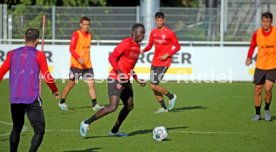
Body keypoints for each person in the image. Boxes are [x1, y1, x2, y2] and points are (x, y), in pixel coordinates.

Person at [79, 23, 146, 137]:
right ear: (134, 32)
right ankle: (86, 123)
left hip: (125, 80)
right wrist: (119, 72)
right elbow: (111, 57)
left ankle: (114, 131)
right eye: (141, 33)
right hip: (115, 79)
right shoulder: (126, 43)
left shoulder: (138, 47)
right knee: (112, 107)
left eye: (144, 33)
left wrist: (137, 79)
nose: (143, 35)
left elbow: (130, 67)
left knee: (129, 105)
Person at [0, 28, 60, 152]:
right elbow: (47, 76)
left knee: (17, 127)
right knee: (39, 130)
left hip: (15, 97)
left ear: (24, 38)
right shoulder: (39, 55)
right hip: (31, 98)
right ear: (37, 40)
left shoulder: (12, 53)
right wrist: (54, 89)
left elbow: (1, 72)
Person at [58, 16, 104, 111]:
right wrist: (78, 58)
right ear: (80, 24)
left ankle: (94, 105)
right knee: (71, 84)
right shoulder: (76, 34)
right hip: (76, 66)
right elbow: (71, 49)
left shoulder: (90, 35)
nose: (86, 26)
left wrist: (85, 60)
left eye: (88, 25)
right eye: (84, 24)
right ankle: (61, 102)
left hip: (87, 66)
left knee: (91, 84)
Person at [141, 11, 181, 113]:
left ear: (164, 20)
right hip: (155, 62)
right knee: (154, 87)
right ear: (155, 21)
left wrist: (168, 54)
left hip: (164, 63)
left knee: (153, 85)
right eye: (158, 20)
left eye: (161, 20)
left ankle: (171, 96)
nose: (159, 22)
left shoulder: (169, 33)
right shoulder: (153, 32)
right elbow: (150, 46)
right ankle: (164, 108)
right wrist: (143, 50)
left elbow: (177, 47)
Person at [245, 12, 276, 121]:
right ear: (261, 21)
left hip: (272, 66)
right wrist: (249, 57)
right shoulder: (256, 33)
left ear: (271, 22)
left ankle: (267, 109)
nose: (265, 24)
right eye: (263, 21)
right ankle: (258, 114)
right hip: (260, 66)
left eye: (268, 21)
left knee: (268, 89)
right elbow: (252, 46)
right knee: (257, 90)